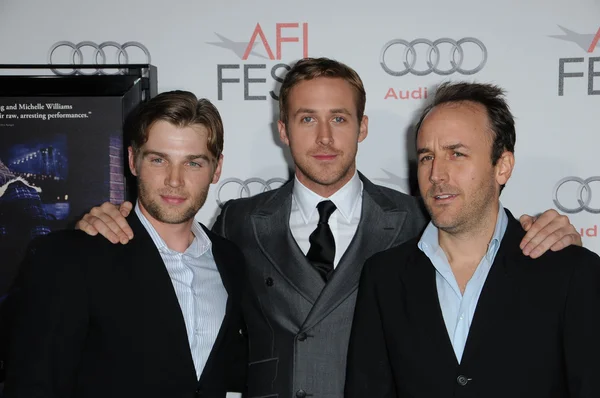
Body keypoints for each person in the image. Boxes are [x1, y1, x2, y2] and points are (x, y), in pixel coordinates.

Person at [74, 59, 582, 398]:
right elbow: (175, 259)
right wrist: (112, 220)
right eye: (305, 119)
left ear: (362, 127)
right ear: (282, 129)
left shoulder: (416, 218)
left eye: (339, 119)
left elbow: (480, 229)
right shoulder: (238, 220)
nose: (322, 138)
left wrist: (549, 234)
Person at [345, 82, 600, 398]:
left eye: (456, 153)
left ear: (502, 167)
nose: (437, 173)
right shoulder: (384, 277)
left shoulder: (571, 272)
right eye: (426, 157)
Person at [3, 91, 247, 398]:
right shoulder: (71, 256)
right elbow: (33, 385)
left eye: (193, 163)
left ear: (217, 169)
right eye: (158, 159)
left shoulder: (230, 260)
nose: (174, 180)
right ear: (133, 161)